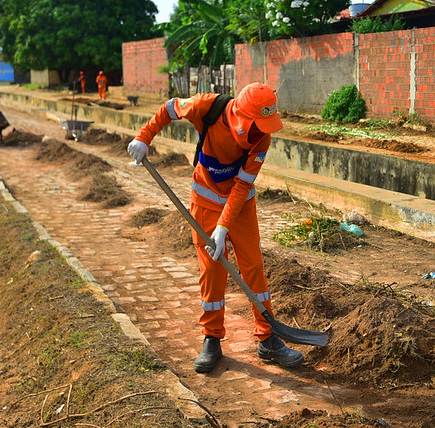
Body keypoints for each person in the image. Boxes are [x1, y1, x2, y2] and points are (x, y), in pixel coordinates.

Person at [126, 82, 304, 373]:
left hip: (240, 204)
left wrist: (223, 228)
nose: (262, 131)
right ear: (240, 116)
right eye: (257, 124)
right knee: (212, 269)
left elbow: (243, 184)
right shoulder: (205, 107)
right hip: (205, 201)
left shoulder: (262, 138)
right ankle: (212, 339)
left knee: (254, 266)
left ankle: (268, 338)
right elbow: (170, 108)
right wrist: (144, 137)